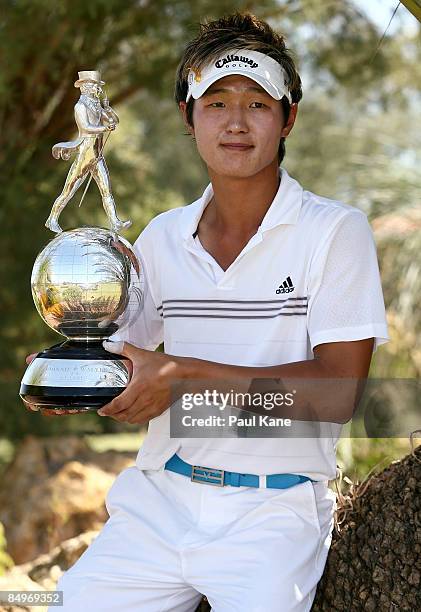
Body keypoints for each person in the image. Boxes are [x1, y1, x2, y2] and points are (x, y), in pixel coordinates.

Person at [37, 12, 389, 611]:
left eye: (258, 103)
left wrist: (182, 377)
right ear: (188, 116)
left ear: (288, 118)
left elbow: (337, 392)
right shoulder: (160, 238)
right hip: (161, 500)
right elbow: (123, 362)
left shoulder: (335, 231)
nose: (235, 122)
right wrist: (69, 367)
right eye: (216, 102)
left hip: (273, 513)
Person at [45, 70, 131, 234]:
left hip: (97, 155)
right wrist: (104, 128)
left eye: (96, 85)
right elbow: (86, 128)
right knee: (69, 190)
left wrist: (108, 108)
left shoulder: (97, 105)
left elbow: (114, 120)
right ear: (84, 87)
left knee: (106, 190)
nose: (96, 88)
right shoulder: (80, 106)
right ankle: (52, 219)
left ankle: (115, 222)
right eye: (93, 85)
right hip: (86, 153)